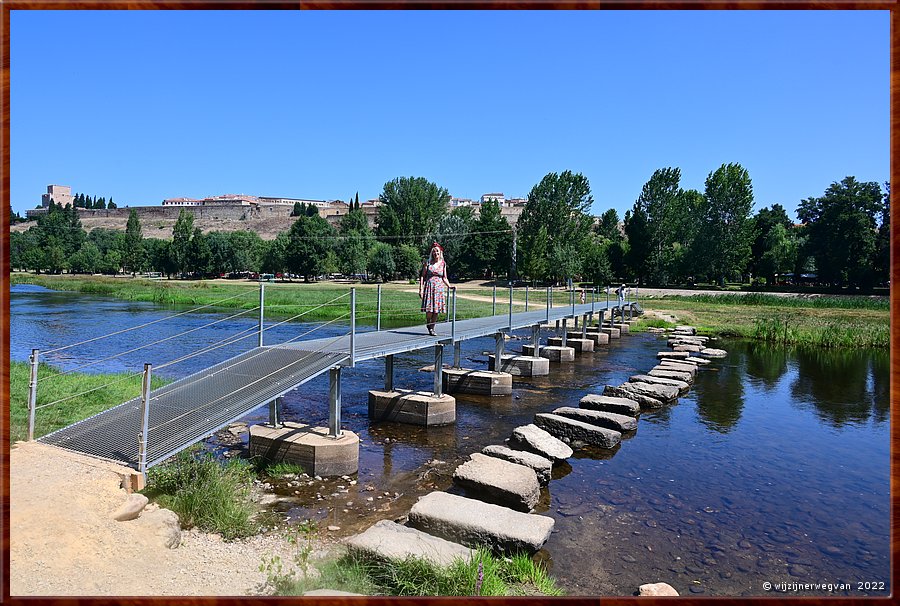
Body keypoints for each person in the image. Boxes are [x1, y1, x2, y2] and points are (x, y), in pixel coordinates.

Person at [419, 242, 451, 336]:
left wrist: (449, 286)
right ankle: (428, 322)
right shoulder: (428, 263)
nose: (435, 253)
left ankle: (432, 328)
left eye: (437, 251)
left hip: (439, 289)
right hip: (429, 288)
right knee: (429, 310)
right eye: (434, 252)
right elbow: (422, 276)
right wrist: (421, 289)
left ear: (440, 252)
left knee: (436, 310)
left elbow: (444, 277)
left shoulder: (443, 264)